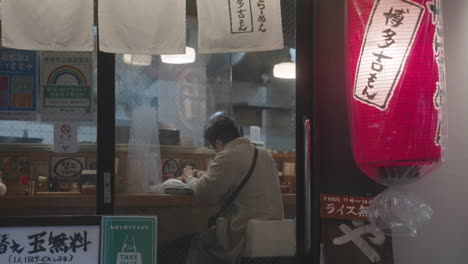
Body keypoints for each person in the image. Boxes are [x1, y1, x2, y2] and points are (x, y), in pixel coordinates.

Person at [181, 114, 284, 264]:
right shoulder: (264, 154)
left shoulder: (228, 155)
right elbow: (231, 177)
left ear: (218, 143)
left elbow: (203, 192)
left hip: (245, 238)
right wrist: (200, 173)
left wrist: (189, 177)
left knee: (199, 242)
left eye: (213, 148)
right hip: (275, 238)